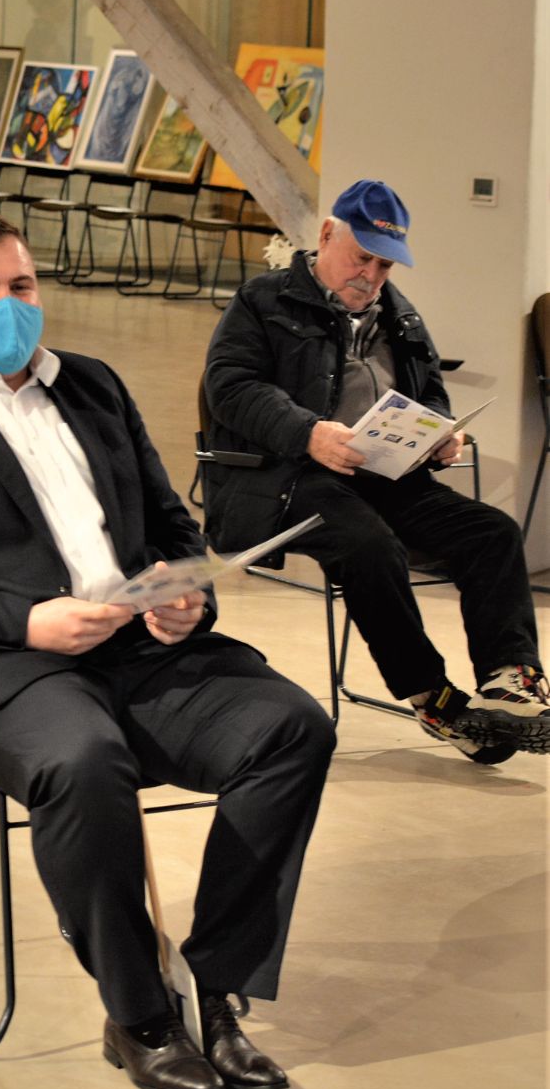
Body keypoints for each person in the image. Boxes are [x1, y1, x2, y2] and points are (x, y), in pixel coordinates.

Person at [0, 212, 332, 1089]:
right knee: (83, 761)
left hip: (132, 649)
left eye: (20, 286)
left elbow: (170, 523)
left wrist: (185, 591)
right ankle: (140, 1015)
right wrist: (28, 620)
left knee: (291, 728)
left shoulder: (92, 383)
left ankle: (212, 988)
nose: (8, 306)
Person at [204, 180, 548, 760]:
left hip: (384, 475)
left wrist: (439, 434)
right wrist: (308, 433)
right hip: (287, 477)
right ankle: (431, 695)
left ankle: (509, 680)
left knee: (492, 532)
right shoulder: (263, 301)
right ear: (326, 236)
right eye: (362, 258)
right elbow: (231, 388)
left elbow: (430, 393)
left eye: (384, 265)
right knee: (370, 546)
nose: (371, 276)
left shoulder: (399, 314)